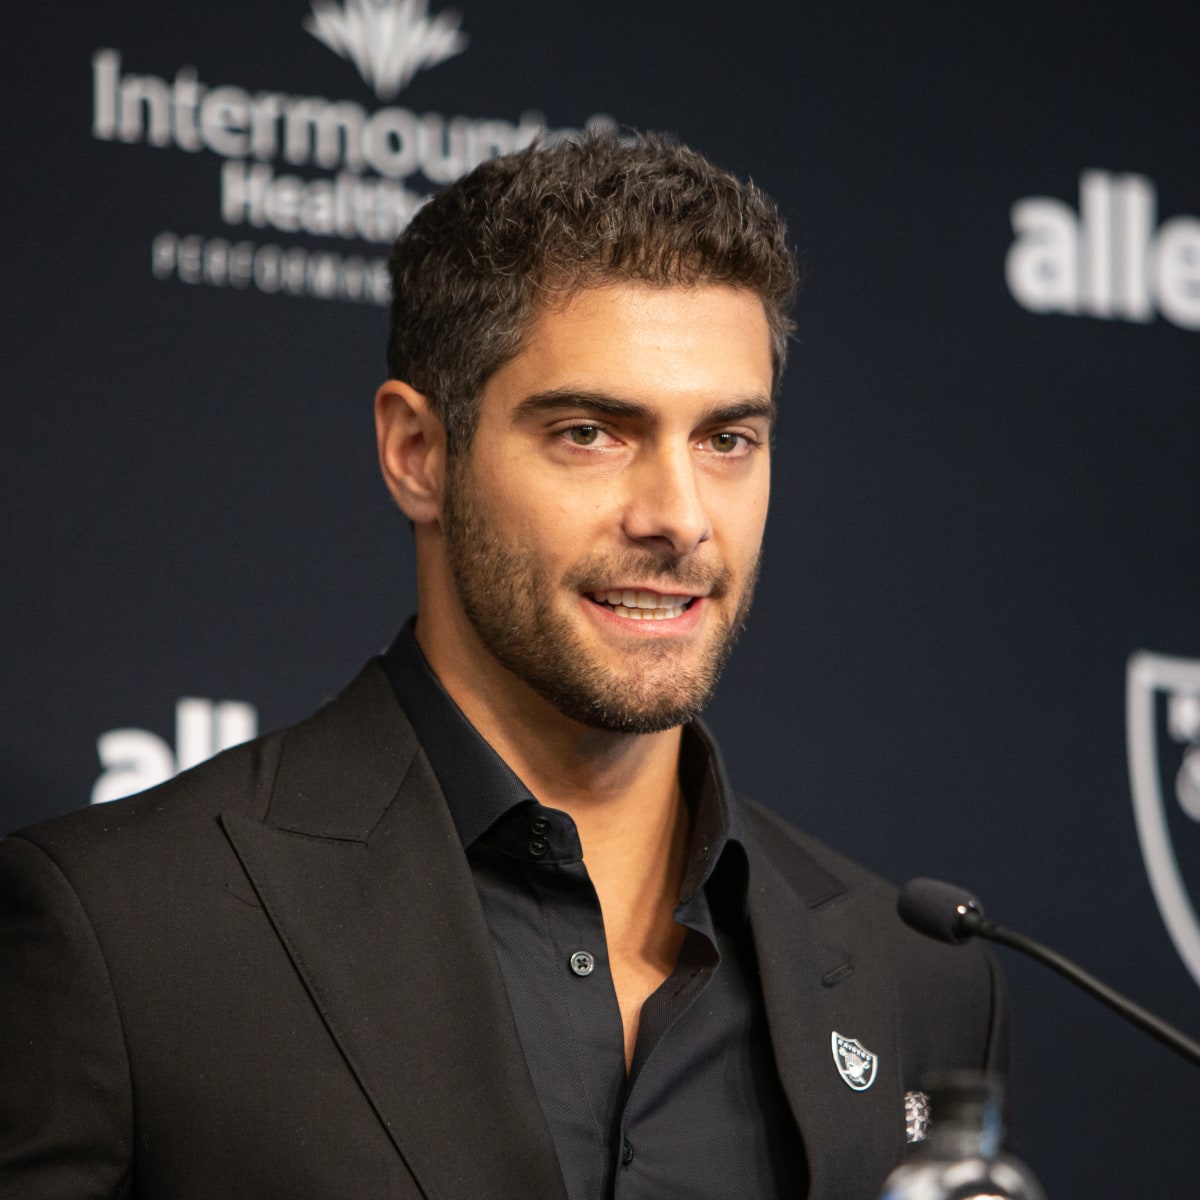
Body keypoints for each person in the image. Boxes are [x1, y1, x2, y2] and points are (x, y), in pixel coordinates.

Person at [0, 132, 1006, 1200]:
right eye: (590, 433)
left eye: (727, 440)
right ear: (418, 453)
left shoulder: (922, 984)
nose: (678, 518)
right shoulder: (123, 932)